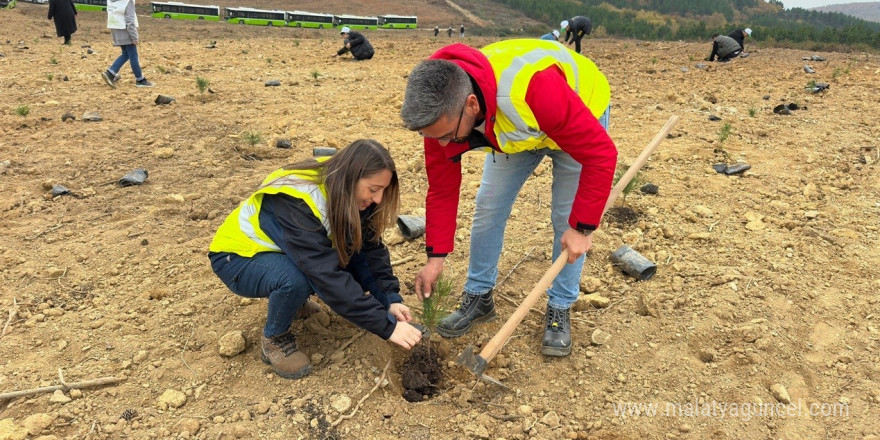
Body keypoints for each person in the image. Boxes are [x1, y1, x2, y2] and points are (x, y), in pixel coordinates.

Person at [400, 40, 617, 357]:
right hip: (519, 130)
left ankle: (560, 307)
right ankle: (479, 296)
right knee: (489, 206)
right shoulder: (439, 114)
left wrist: (583, 228)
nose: (443, 145)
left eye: (447, 135)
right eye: (435, 137)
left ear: (472, 105)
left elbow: (601, 154)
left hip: (577, 111)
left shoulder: (530, 88)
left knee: (566, 220)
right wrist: (436, 257)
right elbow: (442, 190)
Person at [208, 140, 423, 379]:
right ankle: (274, 338)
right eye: (373, 189)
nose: (379, 199)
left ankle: (294, 300)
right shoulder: (297, 199)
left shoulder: (348, 190)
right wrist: (386, 327)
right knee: (299, 279)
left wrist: (388, 299)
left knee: (337, 258)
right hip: (237, 258)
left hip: (283, 251)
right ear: (351, 176)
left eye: (383, 190)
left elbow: (369, 252)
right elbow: (324, 274)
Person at [101, 0, 153, 88]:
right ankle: (140, 79)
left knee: (126, 54)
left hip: (116, 31)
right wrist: (134, 37)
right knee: (133, 55)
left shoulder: (111, 1)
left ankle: (111, 73)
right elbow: (130, 21)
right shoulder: (128, 2)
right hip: (126, 32)